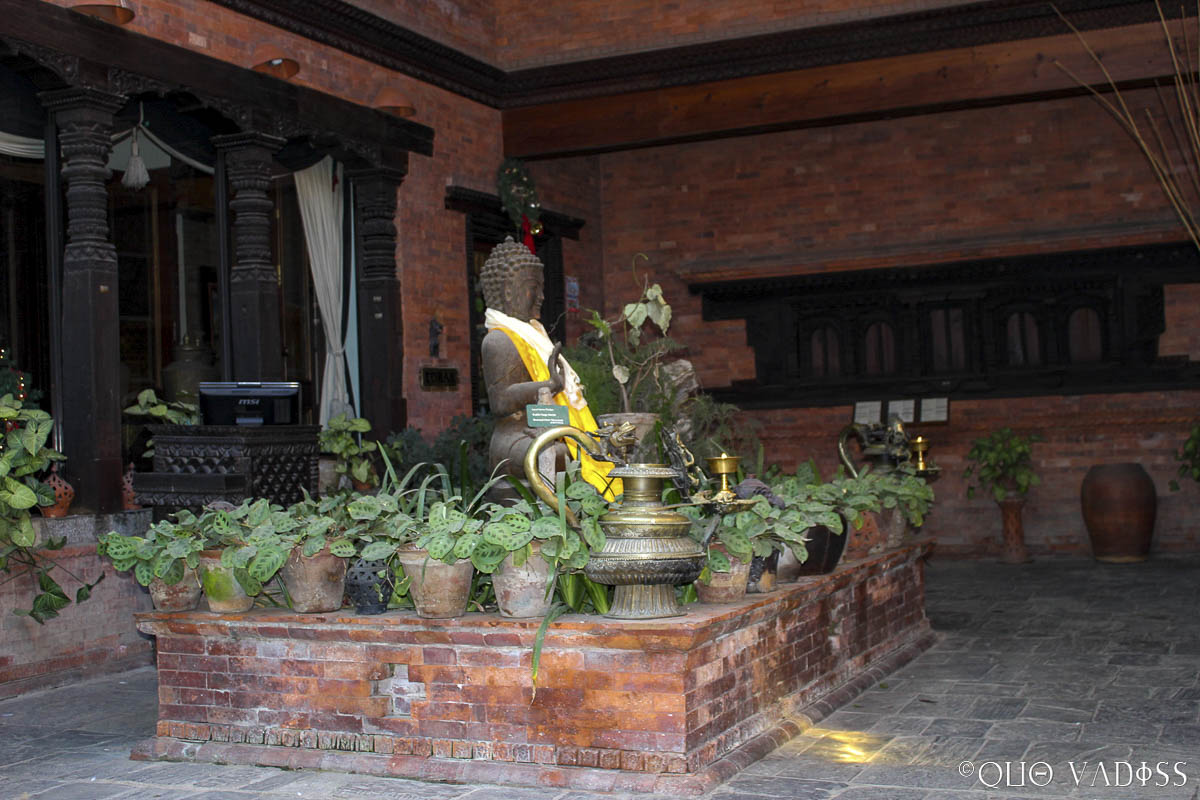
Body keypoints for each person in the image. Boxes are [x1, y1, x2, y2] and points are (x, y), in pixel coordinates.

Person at [480, 237, 616, 499]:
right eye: (534, 288)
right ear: (508, 292)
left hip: (545, 428)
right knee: (560, 454)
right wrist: (548, 386)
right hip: (513, 437)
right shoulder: (498, 340)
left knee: (590, 448)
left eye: (542, 289)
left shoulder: (535, 336)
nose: (542, 297)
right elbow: (500, 401)